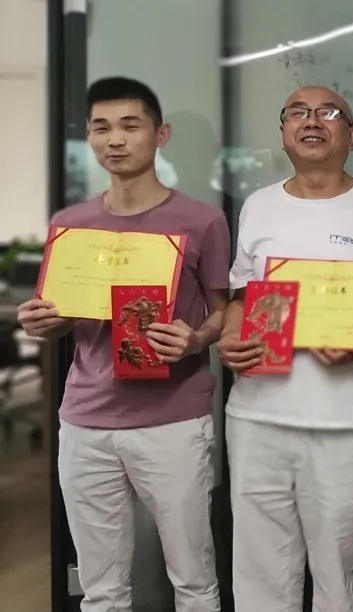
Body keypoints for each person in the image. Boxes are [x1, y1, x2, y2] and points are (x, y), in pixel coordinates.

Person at [17, 77, 228, 611]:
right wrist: (43, 322)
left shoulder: (202, 221)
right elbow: (63, 318)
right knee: (101, 588)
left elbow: (224, 310)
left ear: (161, 134)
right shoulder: (71, 225)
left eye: (130, 126)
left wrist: (194, 339)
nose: (115, 139)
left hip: (173, 421)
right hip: (85, 421)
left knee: (193, 580)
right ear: (89, 136)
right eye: (101, 127)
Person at [217, 86, 353, 611]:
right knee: (260, 579)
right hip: (257, 419)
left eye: (329, 112)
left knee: (339, 583)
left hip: (345, 423)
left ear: (352, 134)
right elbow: (242, 297)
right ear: (283, 131)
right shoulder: (259, 206)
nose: (312, 121)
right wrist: (230, 337)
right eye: (297, 112)